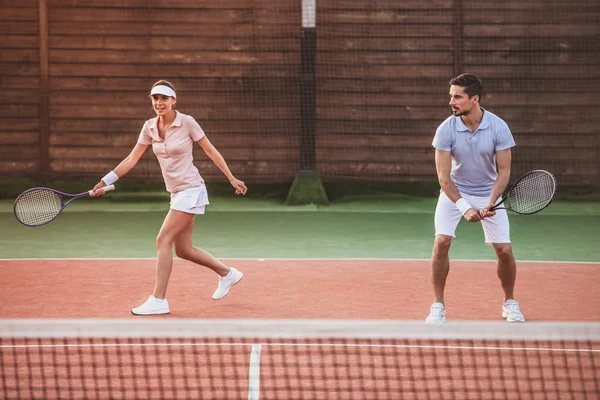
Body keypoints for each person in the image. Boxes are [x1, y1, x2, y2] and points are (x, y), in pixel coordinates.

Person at [91, 80, 247, 315]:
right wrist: (105, 181)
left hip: (192, 189)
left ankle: (158, 300)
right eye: (155, 98)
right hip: (176, 193)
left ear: (174, 100)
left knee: (162, 240)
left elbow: (211, 150)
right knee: (183, 250)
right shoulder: (149, 127)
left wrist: (231, 178)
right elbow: (131, 159)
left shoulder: (187, 123)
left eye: (164, 98)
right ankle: (228, 274)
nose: (159, 103)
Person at [426, 73, 525, 324]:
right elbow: (443, 178)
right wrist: (464, 207)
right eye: (451, 96)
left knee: (504, 249)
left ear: (474, 98)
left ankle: (509, 302)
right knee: (441, 244)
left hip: (489, 192)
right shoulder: (446, 129)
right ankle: (438, 305)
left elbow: (504, 172)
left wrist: (491, 201)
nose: (452, 101)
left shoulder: (498, 127)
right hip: (455, 192)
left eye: (457, 96)